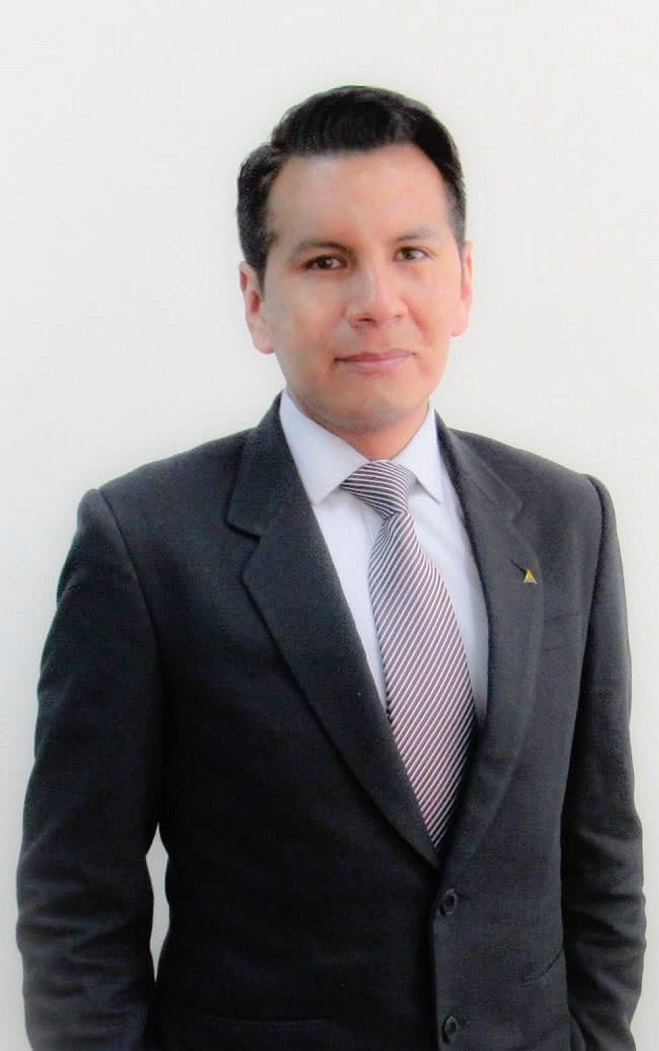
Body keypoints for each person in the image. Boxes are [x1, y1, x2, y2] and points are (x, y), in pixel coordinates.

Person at [17, 85, 645, 1051]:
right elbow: (76, 900)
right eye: (325, 261)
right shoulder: (144, 543)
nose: (376, 302)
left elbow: (599, 854)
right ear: (256, 300)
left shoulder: (566, 519)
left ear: (463, 282)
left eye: (411, 253)